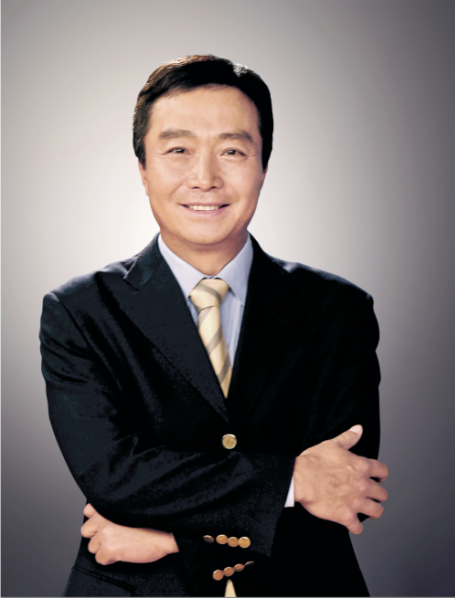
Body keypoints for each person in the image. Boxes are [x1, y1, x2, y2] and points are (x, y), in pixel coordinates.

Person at [40, 55, 388, 597]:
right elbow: (114, 477)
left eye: (232, 151)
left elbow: (347, 491)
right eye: (178, 150)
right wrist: (294, 481)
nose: (204, 177)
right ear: (143, 168)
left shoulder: (338, 310)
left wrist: (172, 539)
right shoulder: (80, 312)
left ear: (263, 166)